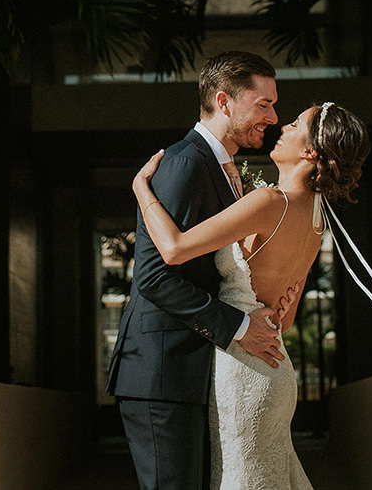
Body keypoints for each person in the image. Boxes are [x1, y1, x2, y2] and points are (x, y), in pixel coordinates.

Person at [133, 100, 372, 490]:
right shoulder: (316, 219)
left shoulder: (267, 203)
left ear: (311, 152)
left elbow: (175, 248)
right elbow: (284, 318)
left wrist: (142, 189)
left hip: (243, 366)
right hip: (275, 365)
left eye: (295, 124)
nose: (283, 126)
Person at [105, 51, 289, 490]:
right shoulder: (186, 163)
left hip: (195, 371)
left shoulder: (224, 168)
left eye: (273, 104)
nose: (274, 116)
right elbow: (153, 277)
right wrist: (239, 326)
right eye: (262, 104)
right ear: (224, 102)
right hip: (162, 374)